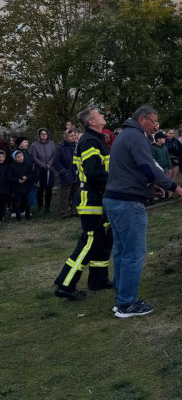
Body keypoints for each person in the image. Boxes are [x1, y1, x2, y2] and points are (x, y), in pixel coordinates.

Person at [103, 105, 182, 318]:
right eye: (153, 121)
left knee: (122, 252)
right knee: (134, 253)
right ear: (142, 119)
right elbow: (148, 166)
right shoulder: (136, 136)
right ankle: (127, 304)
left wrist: (151, 188)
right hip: (127, 204)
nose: (156, 126)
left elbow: (133, 170)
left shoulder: (127, 135)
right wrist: (174, 187)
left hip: (115, 199)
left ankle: (121, 299)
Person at [54, 107, 113, 300]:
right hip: (92, 199)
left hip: (99, 198)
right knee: (89, 242)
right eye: (99, 114)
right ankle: (65, 284)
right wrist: (116, 182)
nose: (103, 115)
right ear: (92, 122)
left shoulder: (96, 139)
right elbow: (94, 172)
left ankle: (98, 280)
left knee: (102, 241)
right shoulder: (89, 141)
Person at [54, 129, 79, 217]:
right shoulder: (60, 147)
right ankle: (64, 211)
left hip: (76, 173)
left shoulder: (77, 146)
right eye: (71, 136)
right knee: (65, 195)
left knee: (76, 194)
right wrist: (63, 171)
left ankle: (75, 210)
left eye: (74, 135)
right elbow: (56, 162)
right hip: (66, 174)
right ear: (66, 136)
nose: (73, 137)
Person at [30, 127, 56, 213]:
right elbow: (34, 158)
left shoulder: (51, 143)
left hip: (50, 169)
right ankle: (40, 207)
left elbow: (54, 155)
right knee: (40, 189)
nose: (44, 135)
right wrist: (44, 165)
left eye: (45, 134)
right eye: (42, 134)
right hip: (40, 170)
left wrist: (49, 164)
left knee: (49, 189)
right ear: (39, 135)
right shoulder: (34, 145)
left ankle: (47, 207)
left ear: (47, 135)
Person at [9, 150, 35, 221]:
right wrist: (18, 180)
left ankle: (28, 216)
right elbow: (10, 177)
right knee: (18, 203)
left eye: (22, 156)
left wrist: (27, 177)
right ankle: (18, 217)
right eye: (18, 157)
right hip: (17, 187)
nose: (21, 158)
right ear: (15, 158)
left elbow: (31, 173)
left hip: (26, 187)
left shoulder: (27, 164)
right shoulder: (12, 166)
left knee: (27, 203)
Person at [0, 150, 8, 223]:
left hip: (4, 188)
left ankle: (2, 216)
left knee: (3, 203)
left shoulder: (7, 166)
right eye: (0, 156)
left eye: (3, 157)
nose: (1, 158)